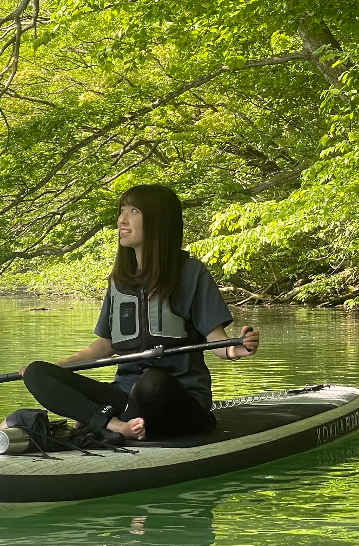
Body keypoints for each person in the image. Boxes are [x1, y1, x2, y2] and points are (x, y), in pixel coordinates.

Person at [19, 184, 259, 442]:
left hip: (176, 400)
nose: (122, 220)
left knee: (152, 382)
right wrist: (57, 370)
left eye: (133, 211)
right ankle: (111, 423)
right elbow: (105, 345)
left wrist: (237, 349)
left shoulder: (191, 273)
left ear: (159, 221)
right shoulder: (119, 281)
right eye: (122, 210)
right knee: (36, 372)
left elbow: (217, 340)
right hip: (123, 396)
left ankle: (98, 422)